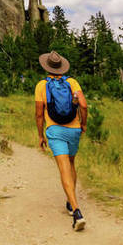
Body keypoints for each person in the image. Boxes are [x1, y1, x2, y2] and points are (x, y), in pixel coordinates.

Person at [34, 50, 87, 231]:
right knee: (71, 164)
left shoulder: (42, 85)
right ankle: (70, 201)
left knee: (64, 169)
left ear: (46, 67)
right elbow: (84, 105)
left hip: (55, 130)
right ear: (62, 67)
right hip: (74, 130)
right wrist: (84, 125)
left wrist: (41, 135)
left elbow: (39, 114)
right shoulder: (72, 82)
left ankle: (77, 211)